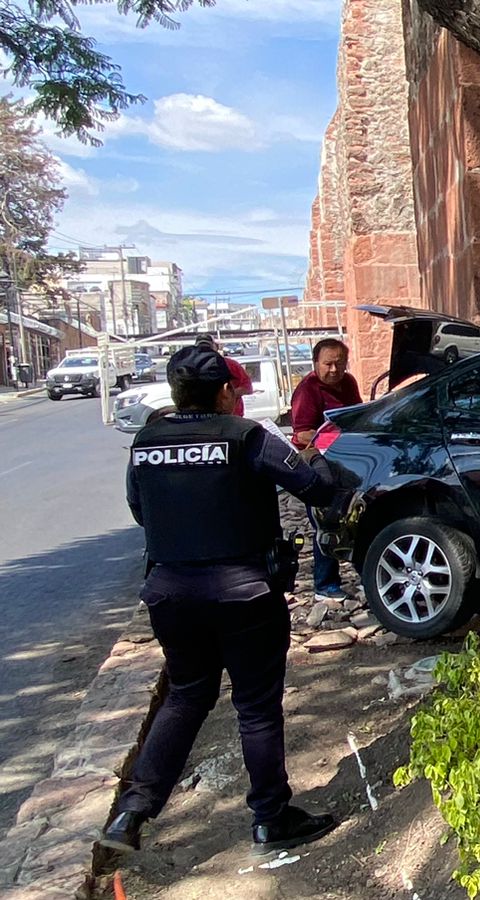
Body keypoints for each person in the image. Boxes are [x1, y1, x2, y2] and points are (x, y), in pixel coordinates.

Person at [102, 346, 340, 856]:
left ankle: (131, 812)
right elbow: (314, 489)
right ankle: (271, 819)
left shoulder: (146, 442)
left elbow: (141, 510)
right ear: (226, 391)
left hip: (171, 595)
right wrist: (317, 452)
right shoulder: (246, 437)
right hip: (244, 594)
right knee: (255, 707)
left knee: (187, 695)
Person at [290, 338, 363, 602]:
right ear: (316, 363)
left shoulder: (349, 382)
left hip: (347, 460)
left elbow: (356, 414)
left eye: (339, 363)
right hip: (317, 461)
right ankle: (325, 583)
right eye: (328, 364)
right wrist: (334, 437)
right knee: (325, 519)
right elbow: (301, 433)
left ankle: (366, 574)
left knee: (356, 519)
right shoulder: (307, 389)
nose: (334, 370)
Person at [195, 333, 252, 417]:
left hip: (232, 418)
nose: (205, 351)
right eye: (201, 348)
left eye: (208, 347)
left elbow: (247, 388)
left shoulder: (231, 365)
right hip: (205, 420)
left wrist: (227, 396)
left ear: (216, 347)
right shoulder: (191, 369)